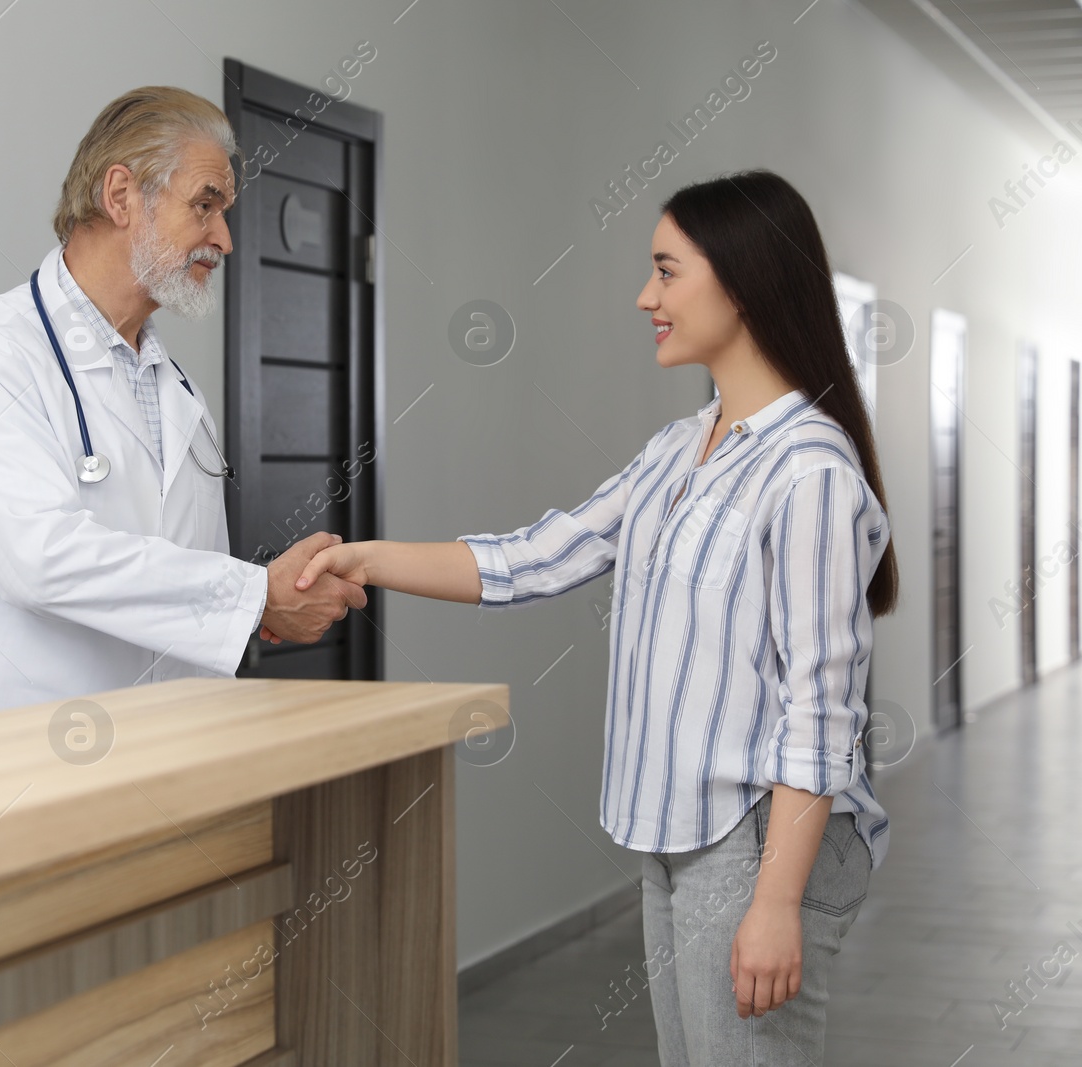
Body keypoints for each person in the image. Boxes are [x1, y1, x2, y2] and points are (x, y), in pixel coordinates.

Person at [296, 170, 898, 1065]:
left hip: (756, 844)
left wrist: (776, 903)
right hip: (676, 835)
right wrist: (366, 559)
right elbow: (538, 555)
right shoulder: (679, 449)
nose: (645, 296)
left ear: (741, 282)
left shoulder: (807, 472)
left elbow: (821, 713)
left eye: (666, 271)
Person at [0, 86, 364, 729]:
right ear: (120, 196)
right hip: (2, 754)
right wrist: (252, 599)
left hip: (156, 751)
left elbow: (167, 568)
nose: (224, 239)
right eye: (206, 205)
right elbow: (39, 560)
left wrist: (257, 604)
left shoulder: (174, 387)